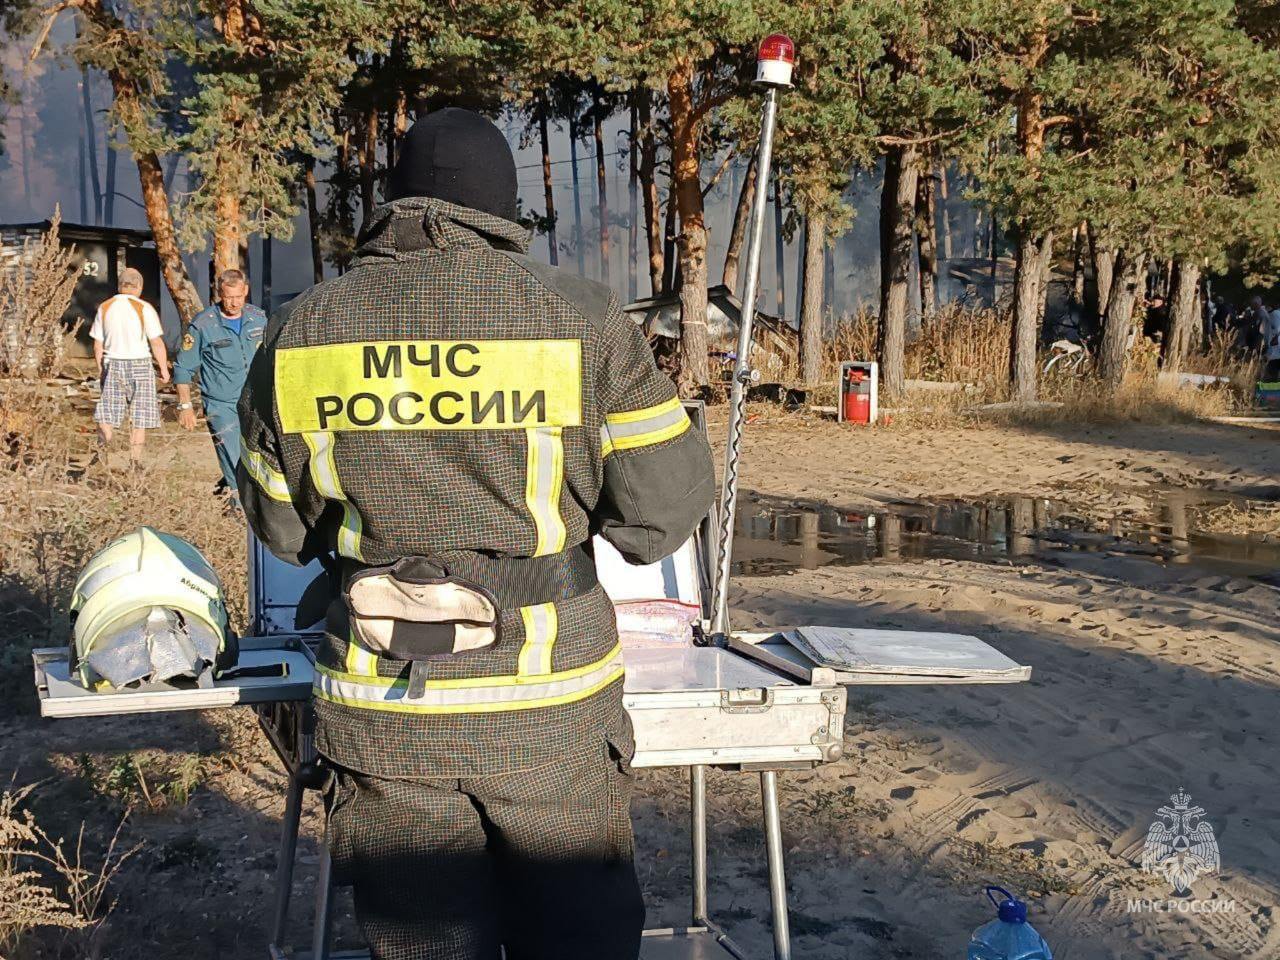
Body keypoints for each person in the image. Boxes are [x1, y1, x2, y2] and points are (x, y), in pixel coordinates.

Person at [238, 108, 715, 960]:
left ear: (395, 203)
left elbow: (281, 527)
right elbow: (663, 514)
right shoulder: (583, 318)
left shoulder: (301, 328)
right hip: (553, 719)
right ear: (503, 208)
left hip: (385, 717)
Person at [174, 269, 268, 503]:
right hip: (221, 404)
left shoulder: (259, 318)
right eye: (228, 297)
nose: (234, 303)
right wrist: (185, 406)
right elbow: (183, 367)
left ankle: (239, 497)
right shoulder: (204, 325)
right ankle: (240, 507)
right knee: (234, 456)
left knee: (259, 456)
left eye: (238, 297)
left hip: (256, 401)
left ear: (245, 291)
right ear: (219, 294)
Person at [90, 267, 169, 467]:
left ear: (119, 285)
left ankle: (102, 451)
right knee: (139, 415)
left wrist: (101, 368)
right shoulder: (144, 308)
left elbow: (98, 343)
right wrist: (164, 369)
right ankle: (135, 461)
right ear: (139, 287)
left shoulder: (105, 307)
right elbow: (156, 342)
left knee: (107, 412)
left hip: (113, 363)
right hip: (140, 364)